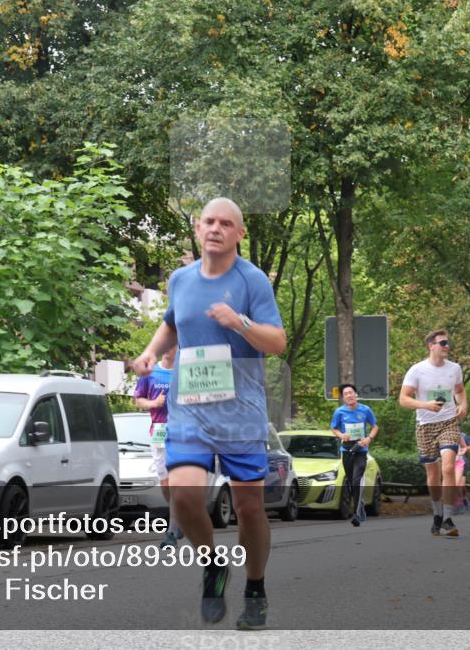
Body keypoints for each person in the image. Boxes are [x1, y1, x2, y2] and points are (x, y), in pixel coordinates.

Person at [131, 198, 286, 630]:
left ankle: (255, 586)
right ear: (197, 229)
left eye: (226, 223)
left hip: (239, 414)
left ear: (239, 234)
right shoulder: (180, 279)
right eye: (209, 222)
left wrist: (238, 322)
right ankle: (214, 564)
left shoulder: (252, 281)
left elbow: (277, 342)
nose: (216, 228)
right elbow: (172, 324)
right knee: (182, 498)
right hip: (189, 412)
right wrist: (149, 352)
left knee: (250, 508)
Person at [399, 329, 468, 537]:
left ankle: (447, 517)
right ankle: (437, 513)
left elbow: (459, 390)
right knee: (433, 473)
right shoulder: (417, 370)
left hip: (448, 422)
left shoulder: (454, 368)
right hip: (425, 425)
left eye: (448, 343)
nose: (447, 346)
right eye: (443, 343)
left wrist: (463, 404)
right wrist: (425, 405)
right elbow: (403, 399)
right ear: (431, 345)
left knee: (448, 467)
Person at [133, 346, 183, 547]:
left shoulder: (184, 371)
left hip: (181, 431)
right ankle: (178, 517)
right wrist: (154, 403)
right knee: (165, 483)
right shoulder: (151, 372)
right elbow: (138, 400)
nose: (166, 349)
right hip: (159, 432)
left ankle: (171, 531)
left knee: (176, 482)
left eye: (170, 345)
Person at [329, 383, 379, 527]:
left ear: (356, 394)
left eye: (351, 393)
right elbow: (334, 428)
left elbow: (375, 426)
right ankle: (360, 504)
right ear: (343, 398)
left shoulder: (365, 409)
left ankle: (357, 514)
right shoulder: (339, 412)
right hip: (347, 450)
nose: (349, 396)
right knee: (352, 482)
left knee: (357, 480)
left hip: (361, 450)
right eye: (346, 394)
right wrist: (341, 435)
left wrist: (369, 438)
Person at [454, 432, 470, 514]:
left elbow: (469, 447)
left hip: (461, 461)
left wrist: (462, 451)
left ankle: (460, 502)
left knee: (459, 485)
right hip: (448, 463)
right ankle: (459, 501)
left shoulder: (462, 435)